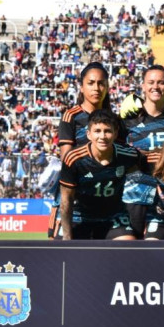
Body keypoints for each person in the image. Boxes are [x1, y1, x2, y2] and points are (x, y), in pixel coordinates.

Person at [119, 65, 164, 238]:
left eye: (161, 82)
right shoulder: (128, 119)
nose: (156, 86)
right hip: (134, 196)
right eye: (151, 82)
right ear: (143, 86)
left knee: (159, 255)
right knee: (130, 254)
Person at [49, 62, 112, 239]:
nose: (96, 88)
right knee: (63, 258)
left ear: (107, 87)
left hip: (104, 199)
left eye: (101, 83)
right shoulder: (71, 116)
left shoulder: (114, 119)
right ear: (82, 87)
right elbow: (67, 159)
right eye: (91, 83)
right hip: (73, 199)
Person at [58, 110, 143, 240]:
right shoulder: (73, 159)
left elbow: (150, 163)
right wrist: (67, 236)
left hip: (113, 217)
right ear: (89, 134)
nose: (102, 136)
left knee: (128, 245)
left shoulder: (128, 155)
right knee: (63, 253)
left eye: (107, 131)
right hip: (80, 216)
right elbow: (66, 200)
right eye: (97, 131)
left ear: (115, 134)